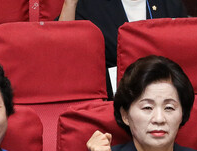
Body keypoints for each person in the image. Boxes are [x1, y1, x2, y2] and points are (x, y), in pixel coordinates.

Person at [57, 0, 187, 88]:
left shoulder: (170, 4)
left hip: (161, 92)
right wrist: (70, 4)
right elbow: (61, 50)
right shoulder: (91, 5)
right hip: (110, 97)